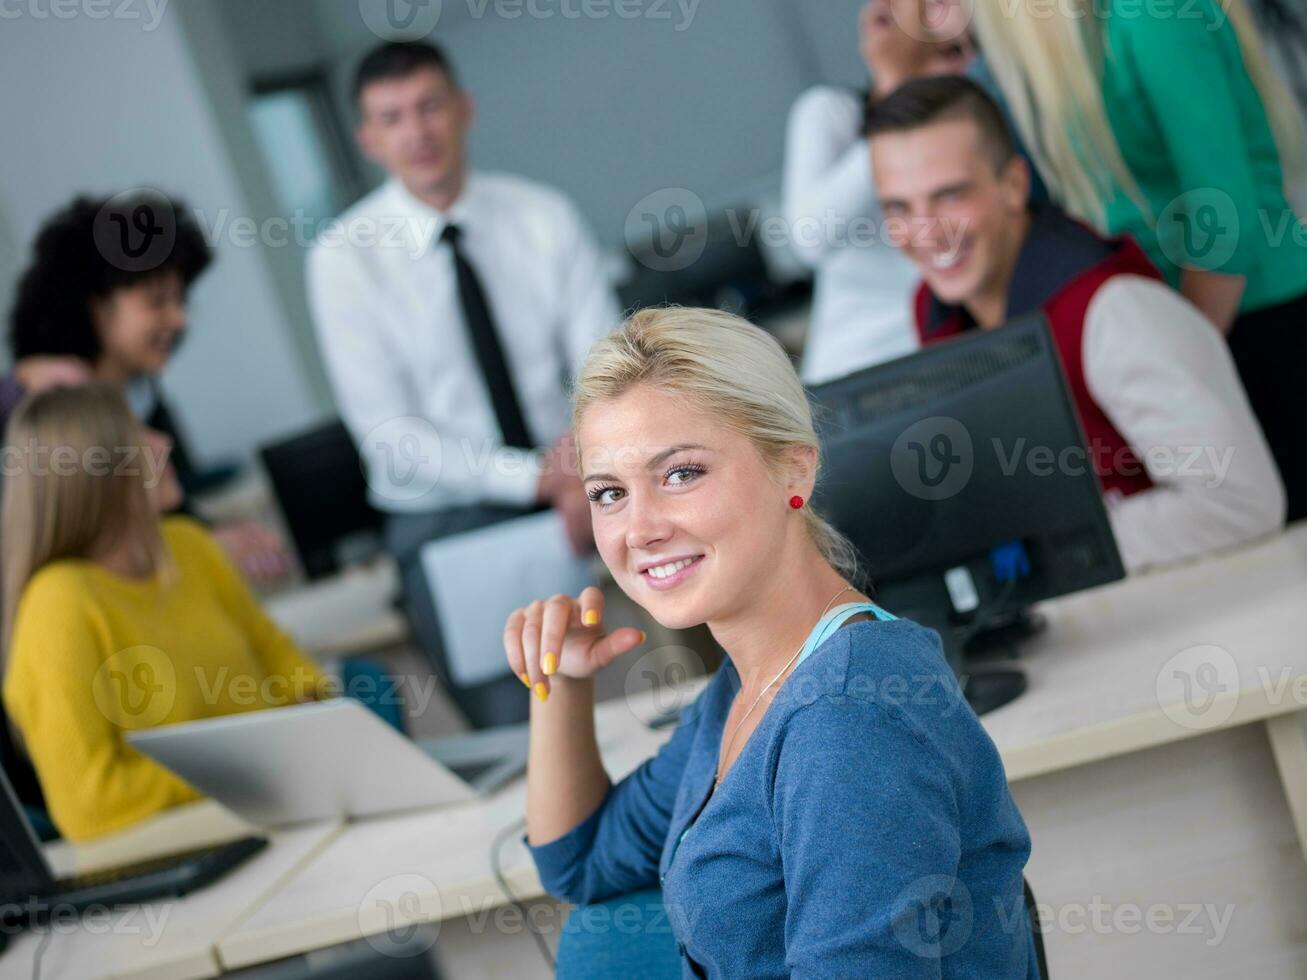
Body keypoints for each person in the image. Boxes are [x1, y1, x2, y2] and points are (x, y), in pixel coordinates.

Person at [506, 308, 1037, 977]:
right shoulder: (748, 683)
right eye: (609, 492)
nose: (638, 529)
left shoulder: (846, 718)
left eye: (680, 474)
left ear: (794, 471)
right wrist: (561, 681)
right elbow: (580, 863)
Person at [308, 41, 622, 727]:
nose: (416, 131)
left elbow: (608, 362)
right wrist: (540, 479)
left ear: (463, 109)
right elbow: (389, 436)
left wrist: (582, 466)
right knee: (525, 733)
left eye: (429, 106)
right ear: (368, 140)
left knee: (640, 687)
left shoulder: (542, 214)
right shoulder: (344, 259)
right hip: (451, 522)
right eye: (392, 118)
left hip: (584, 487)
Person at [867, 75, 1285, 571]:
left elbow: (1241, 503)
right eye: (899, 207)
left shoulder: (1116, 310)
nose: (926, 232)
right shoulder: (934, 310)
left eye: (951, 196)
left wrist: (1043, 550)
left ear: (1013, 186)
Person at [971, 0, 1307, 520]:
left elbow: (1224, 219)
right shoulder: (1054, 44)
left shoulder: (1153, 14)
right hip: (1190, 331)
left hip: (1251, 324)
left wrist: (1175, 364)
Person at [0, 384, 330, 842]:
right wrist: (254, 765)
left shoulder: (189, 546)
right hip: (203, 850)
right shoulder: (58, 603)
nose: (164, 444)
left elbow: (284, 664)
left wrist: (315, 722)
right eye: (139, 436)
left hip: (291, 815)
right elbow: (90, 804)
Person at [4, 193, 291, 583]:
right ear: (95, 309)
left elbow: (173, 513)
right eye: (157, 302)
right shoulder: (36, 413)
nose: (179, 319)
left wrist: (218, 540)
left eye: (181, 300)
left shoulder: (144, 396)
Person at [782, 0, 973, 383]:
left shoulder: (970, 119)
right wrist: (899, 90)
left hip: (950, 364)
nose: (879, 7)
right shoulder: (832, 113)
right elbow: (810, 237)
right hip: (845, 380)